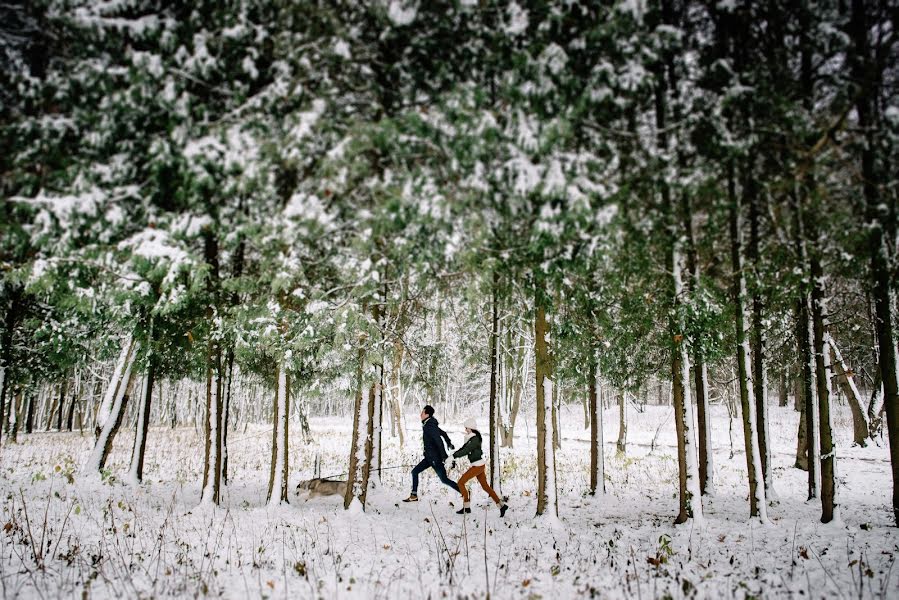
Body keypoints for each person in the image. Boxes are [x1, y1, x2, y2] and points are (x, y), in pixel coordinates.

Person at [452, 418, 508, 516]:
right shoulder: (472, 438)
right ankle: (502, 506)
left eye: (467, 428)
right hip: (479, 465)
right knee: (485, 487)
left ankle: (466, 507)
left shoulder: (474, 439)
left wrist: (454, 456)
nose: (465, 430)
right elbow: (464, 448)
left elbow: (466, 450)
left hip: (477, 466)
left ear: (471, 428)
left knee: (460, 483)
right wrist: (453, 455)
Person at [403, 405, 459, 502]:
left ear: (427, 414)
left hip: (435, 459)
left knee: (444, 480)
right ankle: (414, 495)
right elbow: (444, 434)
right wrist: (449, 443)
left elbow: (438, 441)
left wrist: (445, 457)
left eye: (422, 412)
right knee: (414, 472)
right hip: (429, 458)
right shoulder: (429, 424)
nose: (420, 414)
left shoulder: (430, 426)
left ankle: (464, 491)